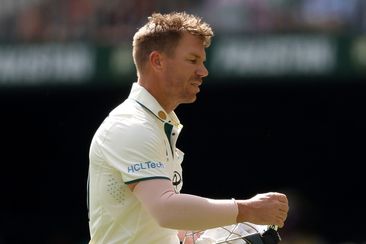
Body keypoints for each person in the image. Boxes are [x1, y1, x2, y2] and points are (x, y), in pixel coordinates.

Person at [87, 11, 289, 244]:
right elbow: (166, 210)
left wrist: (189, 234)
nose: (203, 71)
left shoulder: (156, 123)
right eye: (193, 60)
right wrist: (247, 210)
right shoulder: (131, 125)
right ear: (157, 61)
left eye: (202, 62)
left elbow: (150, 220)